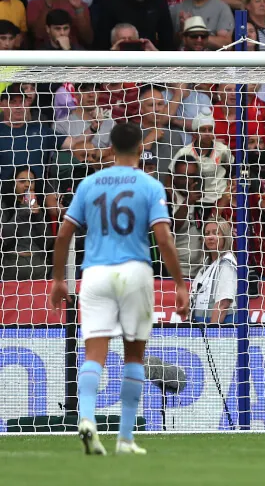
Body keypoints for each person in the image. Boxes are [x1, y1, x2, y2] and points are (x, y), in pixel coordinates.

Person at [47, 122, 190, 455]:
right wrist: (180, 284)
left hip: (94, 274)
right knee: (134, 357)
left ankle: (85, 418)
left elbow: (64, 235)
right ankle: (125, 438)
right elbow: (164, 239)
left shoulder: (89, 184)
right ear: (142, 148)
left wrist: (57, 280)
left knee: (93, 355)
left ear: (109, 149)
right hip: (134, 272)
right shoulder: (151, 185)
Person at [189, 217, 236, 324]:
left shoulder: (227, 264)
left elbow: (223, 305)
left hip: (223, 333)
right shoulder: (206, 266)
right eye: (207, 233)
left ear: (225, 237)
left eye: (216, 233)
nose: (210, 237)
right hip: (202, 329)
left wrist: (211, 335)